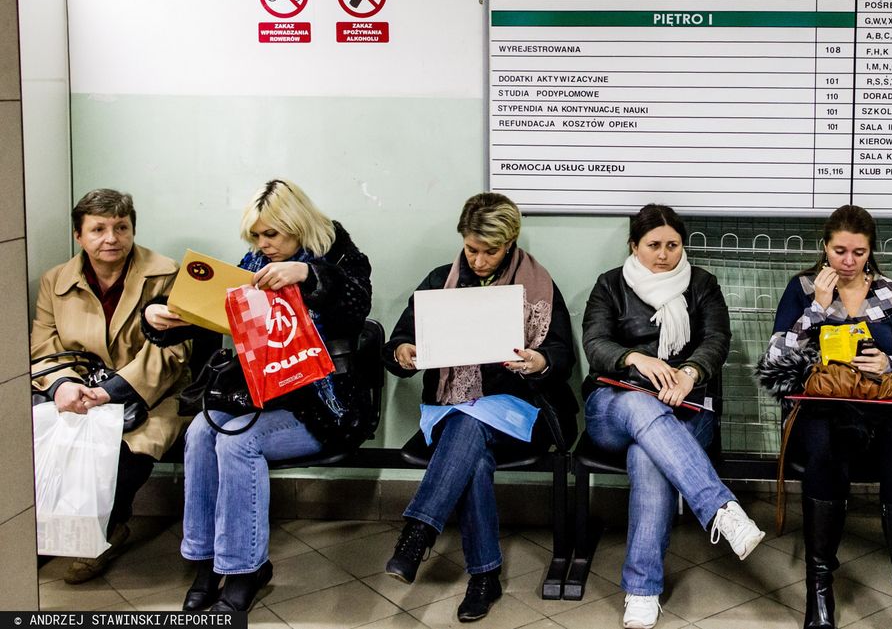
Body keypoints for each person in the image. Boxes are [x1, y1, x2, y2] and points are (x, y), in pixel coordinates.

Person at [143, 179, 372, 613]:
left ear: (298, 227)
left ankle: (246, 569)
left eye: (273, 235)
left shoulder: (338, 254)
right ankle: (208, 561)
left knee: (237, 442)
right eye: (256, 236)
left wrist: (307, 274)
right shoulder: (252, 264)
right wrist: (158, 315)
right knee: (198, 434)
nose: (263, 245)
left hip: (324, 407)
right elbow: (208, 311)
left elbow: (356, 303)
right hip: (261, 398)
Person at [381, 192, 578, 623]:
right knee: (471, 445)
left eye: (491, 251)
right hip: (450, 408)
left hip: (518, 409)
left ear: (510, 243)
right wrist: (404, 352)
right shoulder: (439, 280)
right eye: (472, 249)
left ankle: (419, 533)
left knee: (467, 426)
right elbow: (396, 343)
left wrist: (538, 360)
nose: (479, 259)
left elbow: (564, 357)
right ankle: (483, 576)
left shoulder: (538, 284)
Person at [582, 203, 764, 629]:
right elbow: (594, 342)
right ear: (634, 246)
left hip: (684, 408)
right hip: (613, 406)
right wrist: (634, 359)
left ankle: (642, 590)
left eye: (672, 245)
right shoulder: (609, 285)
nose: (664, 254)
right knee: (638, 404)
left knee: (648, 457)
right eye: (653, 245)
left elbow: (717, 340)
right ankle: (721, 508)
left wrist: (690, 371)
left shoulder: (702, 285)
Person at [763, 205, 892, 629]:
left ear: (870, 252)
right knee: (825, 449)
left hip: (879, 404)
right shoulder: (804, 287)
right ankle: (820, 592)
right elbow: (774, 361)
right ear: (824, 248)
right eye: (840, 251)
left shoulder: (891, 294)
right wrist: (817, 309)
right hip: (822, 404)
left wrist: (889, 364)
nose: (848, 262)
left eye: (858, 253)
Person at [30, 189, 188, 584]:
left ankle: (108, 531)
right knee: (38, 437)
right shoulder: (55, 281)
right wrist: (63, 385)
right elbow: (44, 344)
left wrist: (113, 391)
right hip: (77, 389)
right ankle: (49, 532)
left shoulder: (165, 273)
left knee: (124, 453)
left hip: (152, 394)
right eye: (98, 229)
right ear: (78, 236)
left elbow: (173, 353)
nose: (111, 238)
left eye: (121, 227)